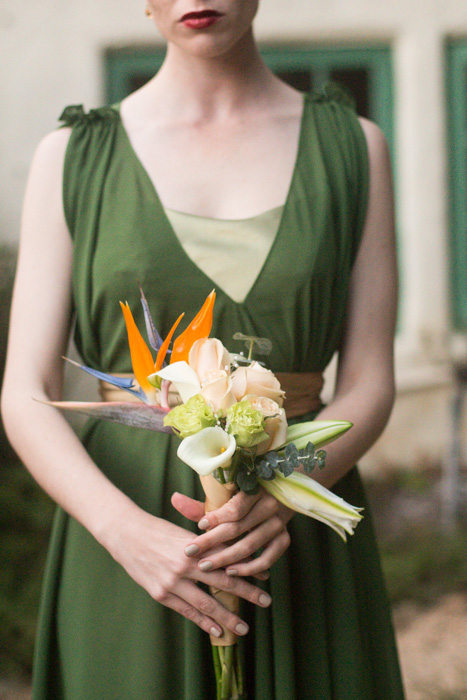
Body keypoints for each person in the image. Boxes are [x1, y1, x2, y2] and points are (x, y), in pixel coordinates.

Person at [1, 1, 404, 698]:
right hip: (124, 545)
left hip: (295, 540)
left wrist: (284, 493)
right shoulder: (70, 158)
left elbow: (370, 382)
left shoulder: (353, 146)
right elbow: (25, 394)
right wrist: (126, 534)